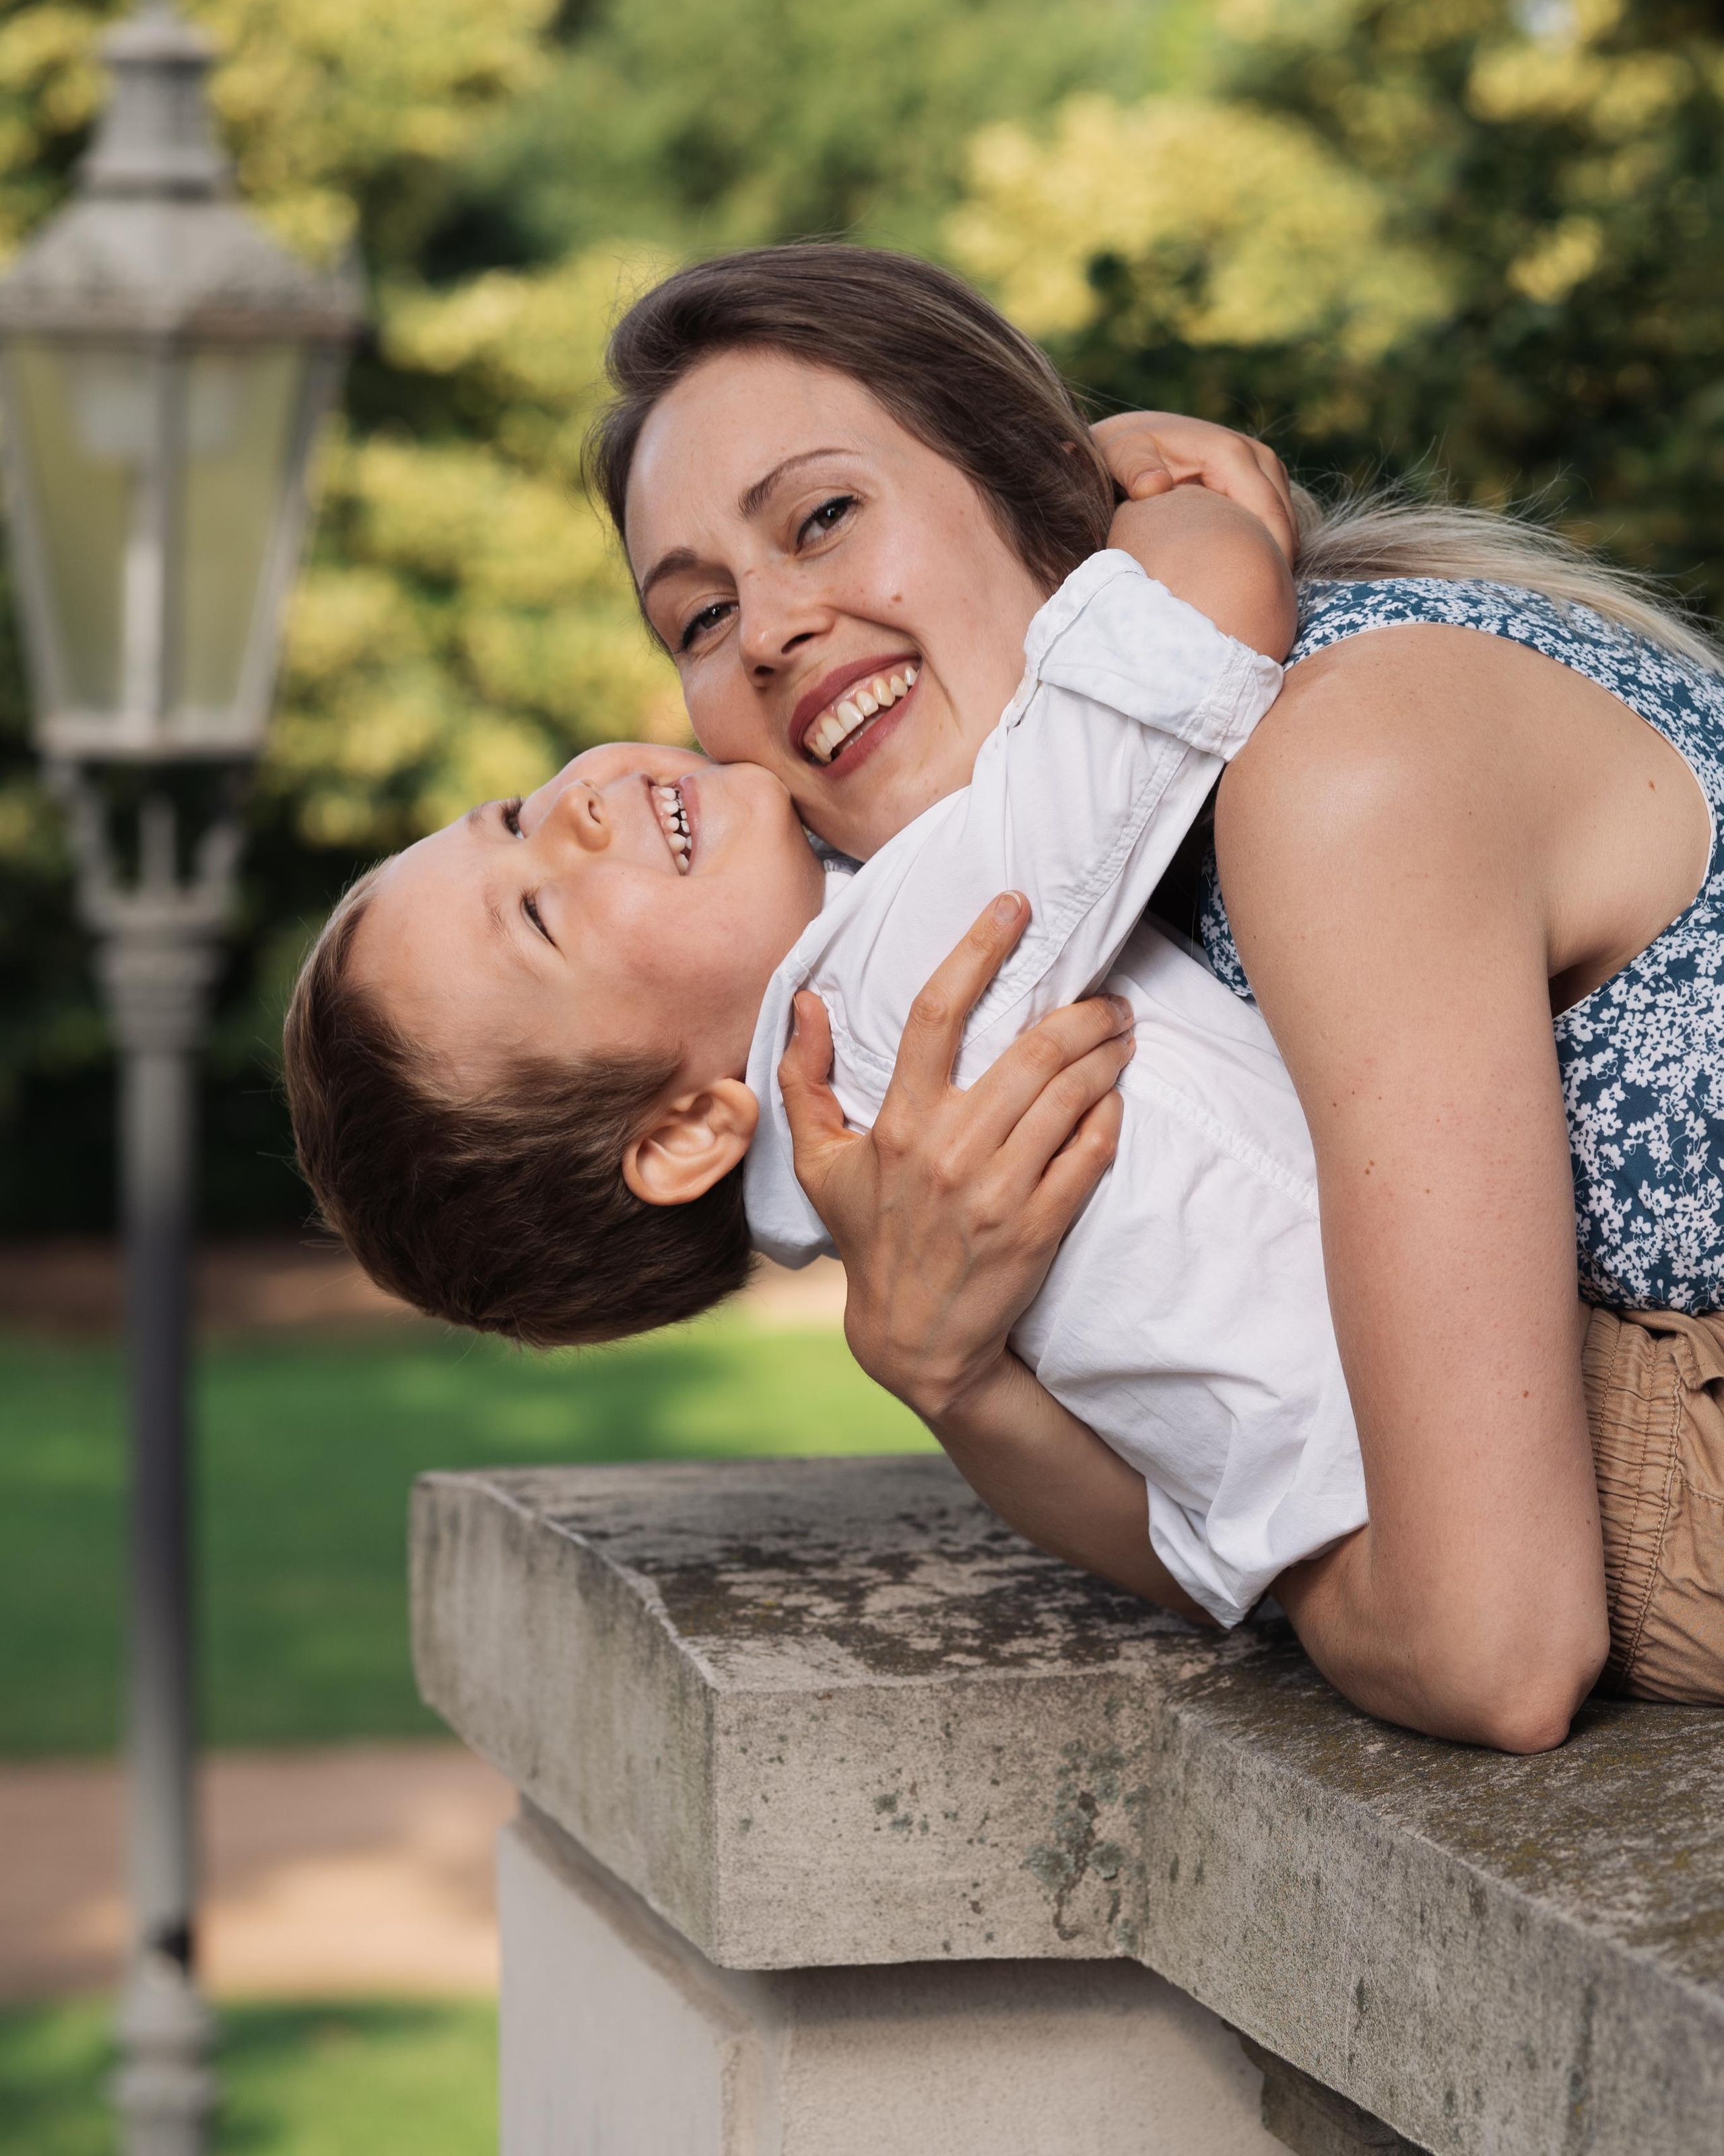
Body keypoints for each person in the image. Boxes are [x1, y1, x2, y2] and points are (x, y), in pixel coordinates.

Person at [587, 242, 1724, 1749]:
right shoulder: (1111, 895)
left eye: (822, 516)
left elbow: (1488, 1647)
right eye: (699, 619)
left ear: (1025, 483)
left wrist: (1325, 1588)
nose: (773, 624)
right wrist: (946, 1374)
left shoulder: (1334, 770)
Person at [287, 461, 1382, 1627]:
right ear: (691, 1130)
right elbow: (1205, 609)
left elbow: (1218, 1557)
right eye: (541, 915)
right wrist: (1140, 475)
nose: (576, 808)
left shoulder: (882, 1205)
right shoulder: (893, 1002)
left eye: (511, 818)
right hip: (1488, 1417)